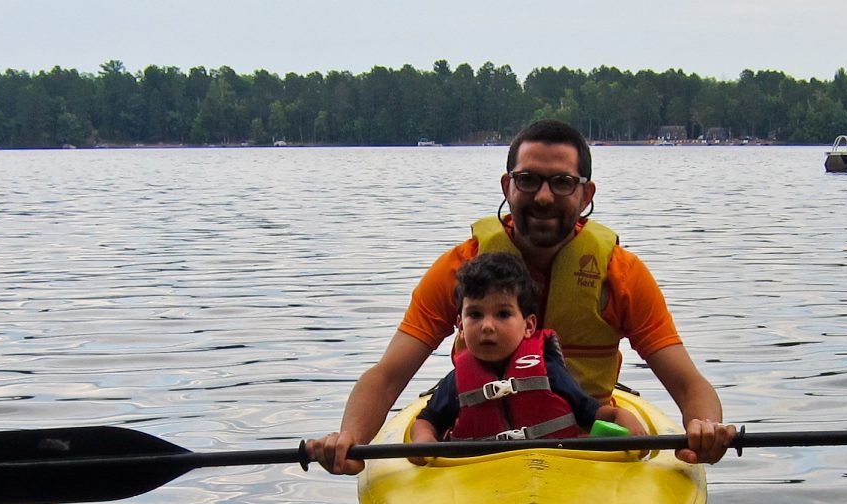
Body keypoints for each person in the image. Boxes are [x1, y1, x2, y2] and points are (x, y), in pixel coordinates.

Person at [307, 119, 737, 473]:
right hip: (473, 445)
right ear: (506, 187)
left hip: (587, 435)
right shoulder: (463, 268)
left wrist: (705, 427)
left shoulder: (621, 275)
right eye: (528, 180)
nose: (544, 197)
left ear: (586, 194)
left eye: (562, 183)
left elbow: (687, 382)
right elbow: (387, 376)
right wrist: (350, 438)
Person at [410, 251, 616, 447]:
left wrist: (618, 416)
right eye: (475, 314)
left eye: (502, 314)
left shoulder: (549, 371)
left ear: (528, 326)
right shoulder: (456, 381)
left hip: (549, 469)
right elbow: (426, 421)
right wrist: (425, 439)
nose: (487, 326)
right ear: (461, 326)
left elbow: (591, 415)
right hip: (477, 473)